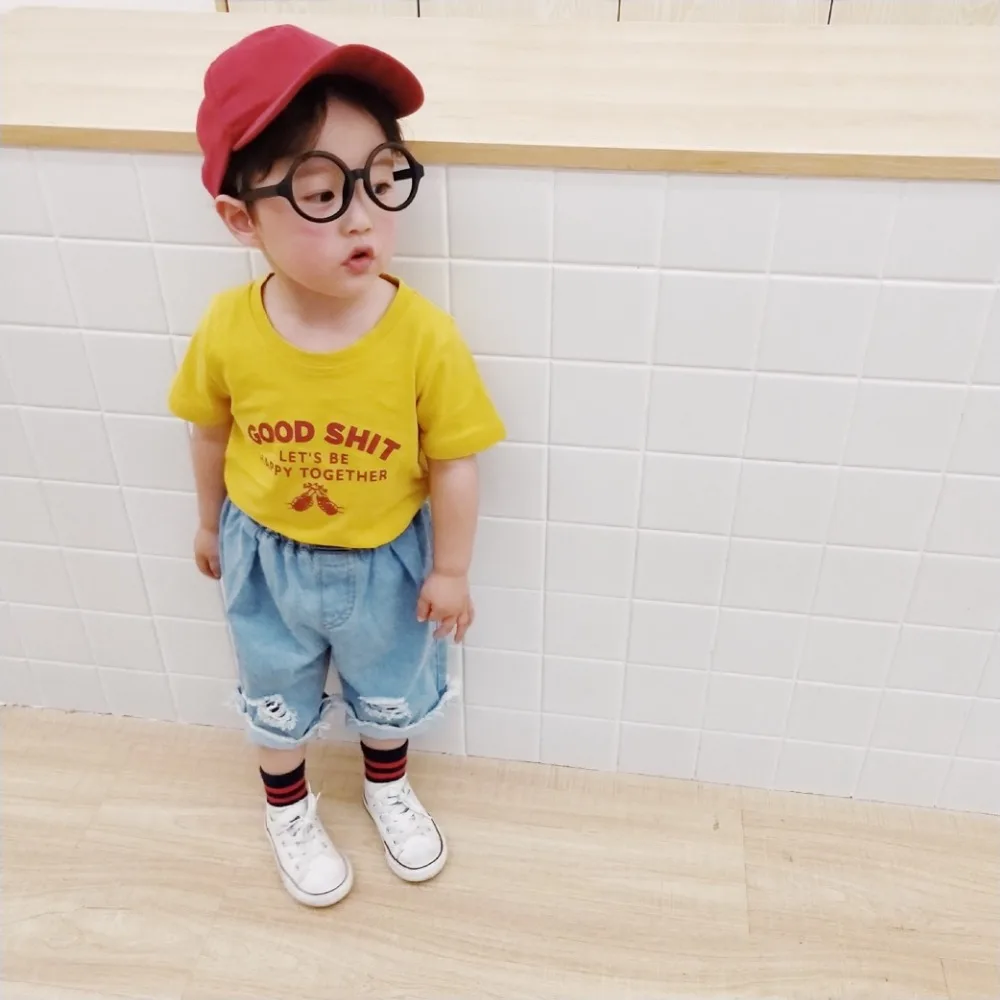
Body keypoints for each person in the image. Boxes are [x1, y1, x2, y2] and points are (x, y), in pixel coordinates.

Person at [168, 24, 505, 907]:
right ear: (242, 220)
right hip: (265, 556)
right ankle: (287, 807)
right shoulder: (228, 328)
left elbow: (455, 461)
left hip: (386, 563)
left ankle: (387, 786)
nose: (363, 217)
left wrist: (452, 569)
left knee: (388, 692)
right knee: (274, 697)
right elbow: (209, 431)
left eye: (381, 181)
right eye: (321, 193)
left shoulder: (424, 336)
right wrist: (206, 522)